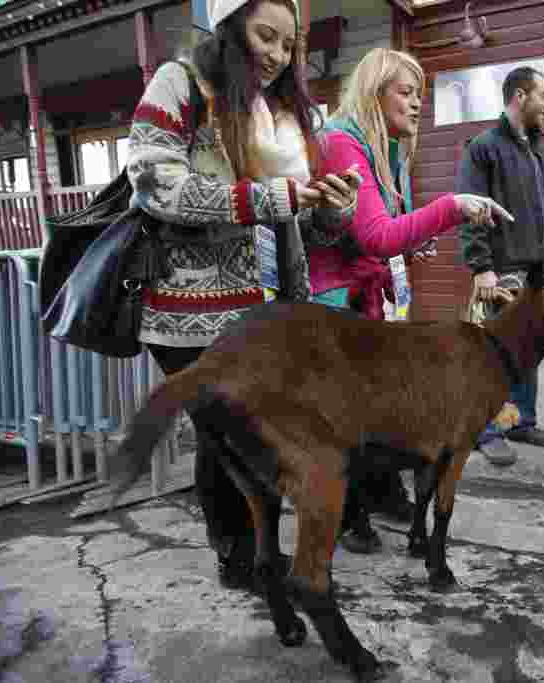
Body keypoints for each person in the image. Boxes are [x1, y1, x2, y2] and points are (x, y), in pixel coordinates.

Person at [125, 0, 359, 591]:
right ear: (230, 27)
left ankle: (259, 552)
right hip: (190, 313)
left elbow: (295, 221)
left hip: (271, 307)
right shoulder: (179, 82)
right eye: (266, 36)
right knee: (228, 433)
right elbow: (155, 186)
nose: (278, 56)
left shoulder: (274, 108)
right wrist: (267, 198)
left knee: (256, 435)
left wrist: (332, 210)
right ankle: (239, 555)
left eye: (288, 44)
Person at [310, 47, 513, 553]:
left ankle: (377, 495)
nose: (418, 104)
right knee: (348, 419)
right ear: (373, 93)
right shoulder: (341, 143)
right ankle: (344, 517)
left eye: (420, 95)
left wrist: (417, 234)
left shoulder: (386, 148)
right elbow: (377, 236)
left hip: (371, 302)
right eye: (406, 92)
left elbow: (384, 233)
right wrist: (452, 207)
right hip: (338, 306)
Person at [458, 65, 544, 466]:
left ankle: (523, 420)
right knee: (493, 356)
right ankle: (484, 430)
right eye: (543, 95)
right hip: (502, 271)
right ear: (520, 96)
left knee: (530, 347)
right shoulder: (484, 148)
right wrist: (481, 267)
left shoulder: (540, 149)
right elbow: (471, 209)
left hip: (538, 271)